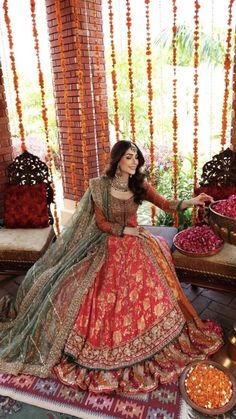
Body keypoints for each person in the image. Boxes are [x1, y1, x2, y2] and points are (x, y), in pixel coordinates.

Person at [0, 140, 223, 394]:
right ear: (117, 160)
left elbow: (166, 204)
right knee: (73, 286)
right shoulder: (99, 187)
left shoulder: (140, 184)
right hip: (108, 244)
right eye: (129, 157)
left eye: (136, 157)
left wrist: (192, 201)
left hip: (138, 245)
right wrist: (125, 230)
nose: (135, 162)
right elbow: (103, 223)